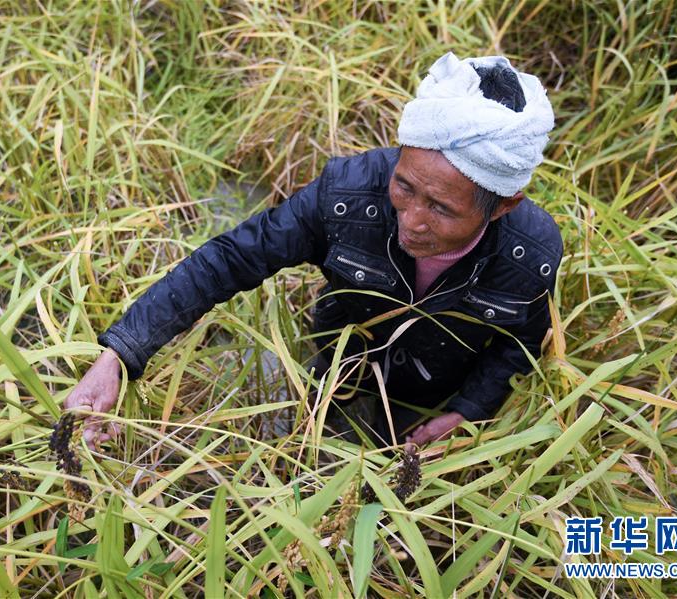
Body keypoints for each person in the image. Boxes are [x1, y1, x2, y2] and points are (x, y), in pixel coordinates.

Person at [65, 52, 564, 450]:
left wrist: (466, 411)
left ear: (502, 206)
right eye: (405, 188)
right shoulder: (345, 194)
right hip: (341, 354)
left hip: (437, 387)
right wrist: (119, 355)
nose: (411, 221)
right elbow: (230, 259)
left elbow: (519, 344)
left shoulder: (531, 254)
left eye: (441, 208)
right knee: (317, 440)